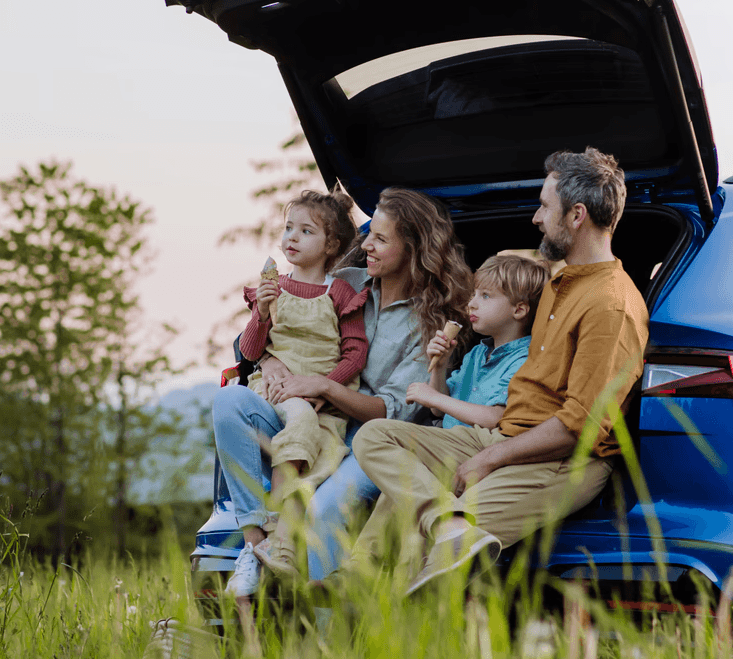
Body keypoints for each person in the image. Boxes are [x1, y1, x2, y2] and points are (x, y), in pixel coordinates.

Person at [346, 147, 650, 594]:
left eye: (545, 206)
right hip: (505, 435)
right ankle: (428, 532)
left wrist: (488, 458)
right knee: (376, 436)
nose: (535, 217)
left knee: (437, 560)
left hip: (559, 460)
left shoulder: (611, 304)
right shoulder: (563, 284)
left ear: (577, 215)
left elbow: (580, 427)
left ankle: (408, 578)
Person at [213, 187, 472, 599]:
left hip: (370, 442)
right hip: (306, 421)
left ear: (413, 249)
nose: (365, 243)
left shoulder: (430, 323)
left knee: (325, 509)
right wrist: (269, 362)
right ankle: (255, 545)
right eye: (370, 234)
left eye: (381, 239)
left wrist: (323, 386)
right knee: (229, 401)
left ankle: (323, 623)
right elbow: (272, 338)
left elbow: (394, 412)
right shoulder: (346, 282)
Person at [237, 190, 367, 579]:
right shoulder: (273, 289)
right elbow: (249, 351)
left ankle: (285, 542)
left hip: (318, 395)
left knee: (313, 432)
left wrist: (320, 387)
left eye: (305, 231)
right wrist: (261, 313)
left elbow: (355, 354)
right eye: (288, 227)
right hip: (276, 392)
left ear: (332, 245)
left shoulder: (340, 292)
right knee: (301, 421)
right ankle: (278, 532)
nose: (291, 237)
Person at [405, 254, 550, 430]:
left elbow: (495, 418)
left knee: (376, 432)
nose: (472, 303)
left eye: (486, 296)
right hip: (447, 439)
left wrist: (433, 397)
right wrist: (439, 367)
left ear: (519, 310)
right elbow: (438, 411)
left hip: (476, 447)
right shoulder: (477, 354)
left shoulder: (524, 360)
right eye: (474, 295)